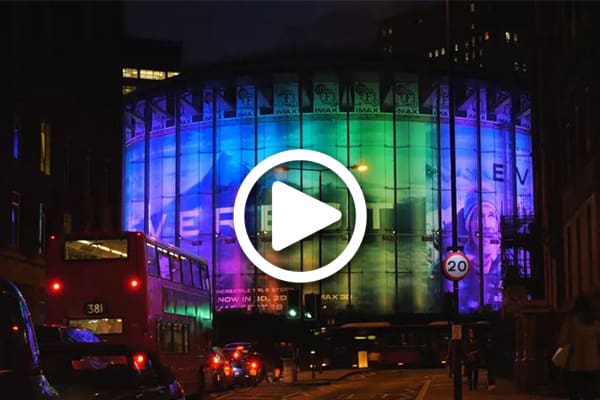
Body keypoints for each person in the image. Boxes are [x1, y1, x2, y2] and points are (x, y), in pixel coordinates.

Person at [558, 293, 600, 400]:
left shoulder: (570, 322)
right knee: (590, 395)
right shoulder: (595, 323)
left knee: (575, 394)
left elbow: (562, 341)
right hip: (593, 365)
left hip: (574, 365)